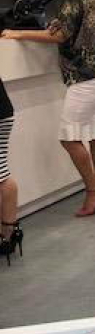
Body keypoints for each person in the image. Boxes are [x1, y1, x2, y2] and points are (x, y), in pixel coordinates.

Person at [0, 0, 95, 217]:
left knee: (68, 138)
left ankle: (94, 191)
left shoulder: (73, 0)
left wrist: (17, 33)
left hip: (84, 79)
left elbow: (59, 35)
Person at [0, 78, 21, 266]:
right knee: (2, 173)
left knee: (2, 175)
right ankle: (8, 232)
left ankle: (6, 234)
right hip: (3, 110)